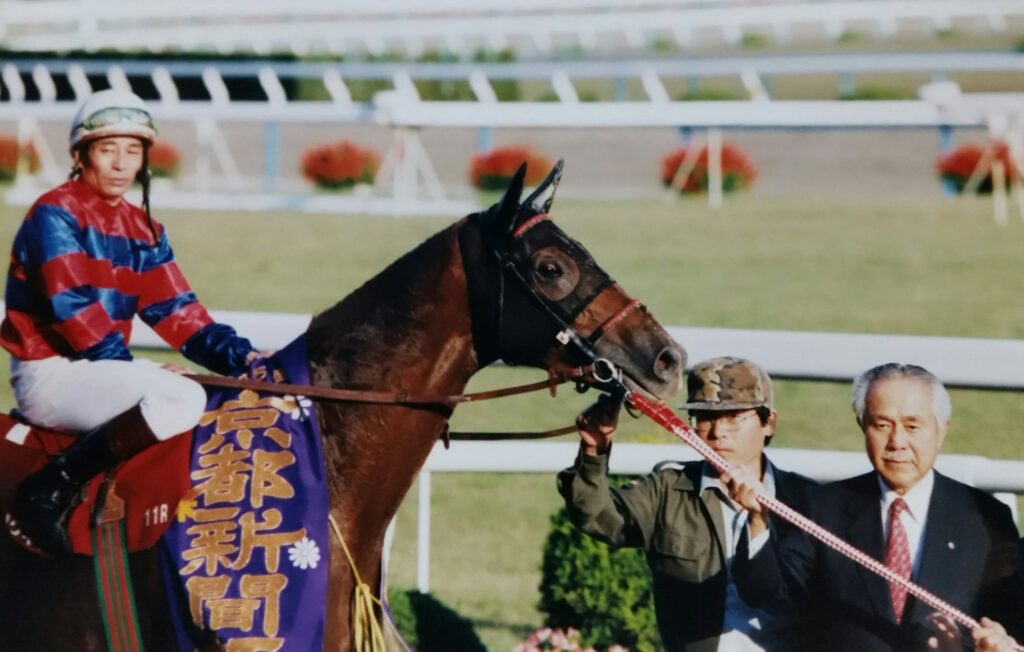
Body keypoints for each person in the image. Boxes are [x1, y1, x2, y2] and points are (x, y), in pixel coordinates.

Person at [1, 89, 260, 557]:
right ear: (80, 156)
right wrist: (137, 371)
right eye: (107, 150)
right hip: (52, 373)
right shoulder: (52, 214)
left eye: (133, 151)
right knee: (180, 395)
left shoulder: (143, 229)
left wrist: (248, 359)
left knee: (225, 394)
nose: (121, 164)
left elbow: (181, 314)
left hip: (101, 368)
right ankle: (50, 487)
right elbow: (74, 311)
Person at [729, 363, 1022, 651]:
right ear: (863, 427)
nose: (897, 442)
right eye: (882, 425)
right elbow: (768, 593)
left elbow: (1007, 620)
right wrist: (758, 521)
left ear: (940, 430)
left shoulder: (985, 517)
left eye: (912, 426)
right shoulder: (821, 507)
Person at [557, 356, 816, 651]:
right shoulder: (669, 489)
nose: (717, 432)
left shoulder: (806, 501)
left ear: (768, 422)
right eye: (703, 418)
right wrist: (593, 451)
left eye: (734, 417)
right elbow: (599, 517)